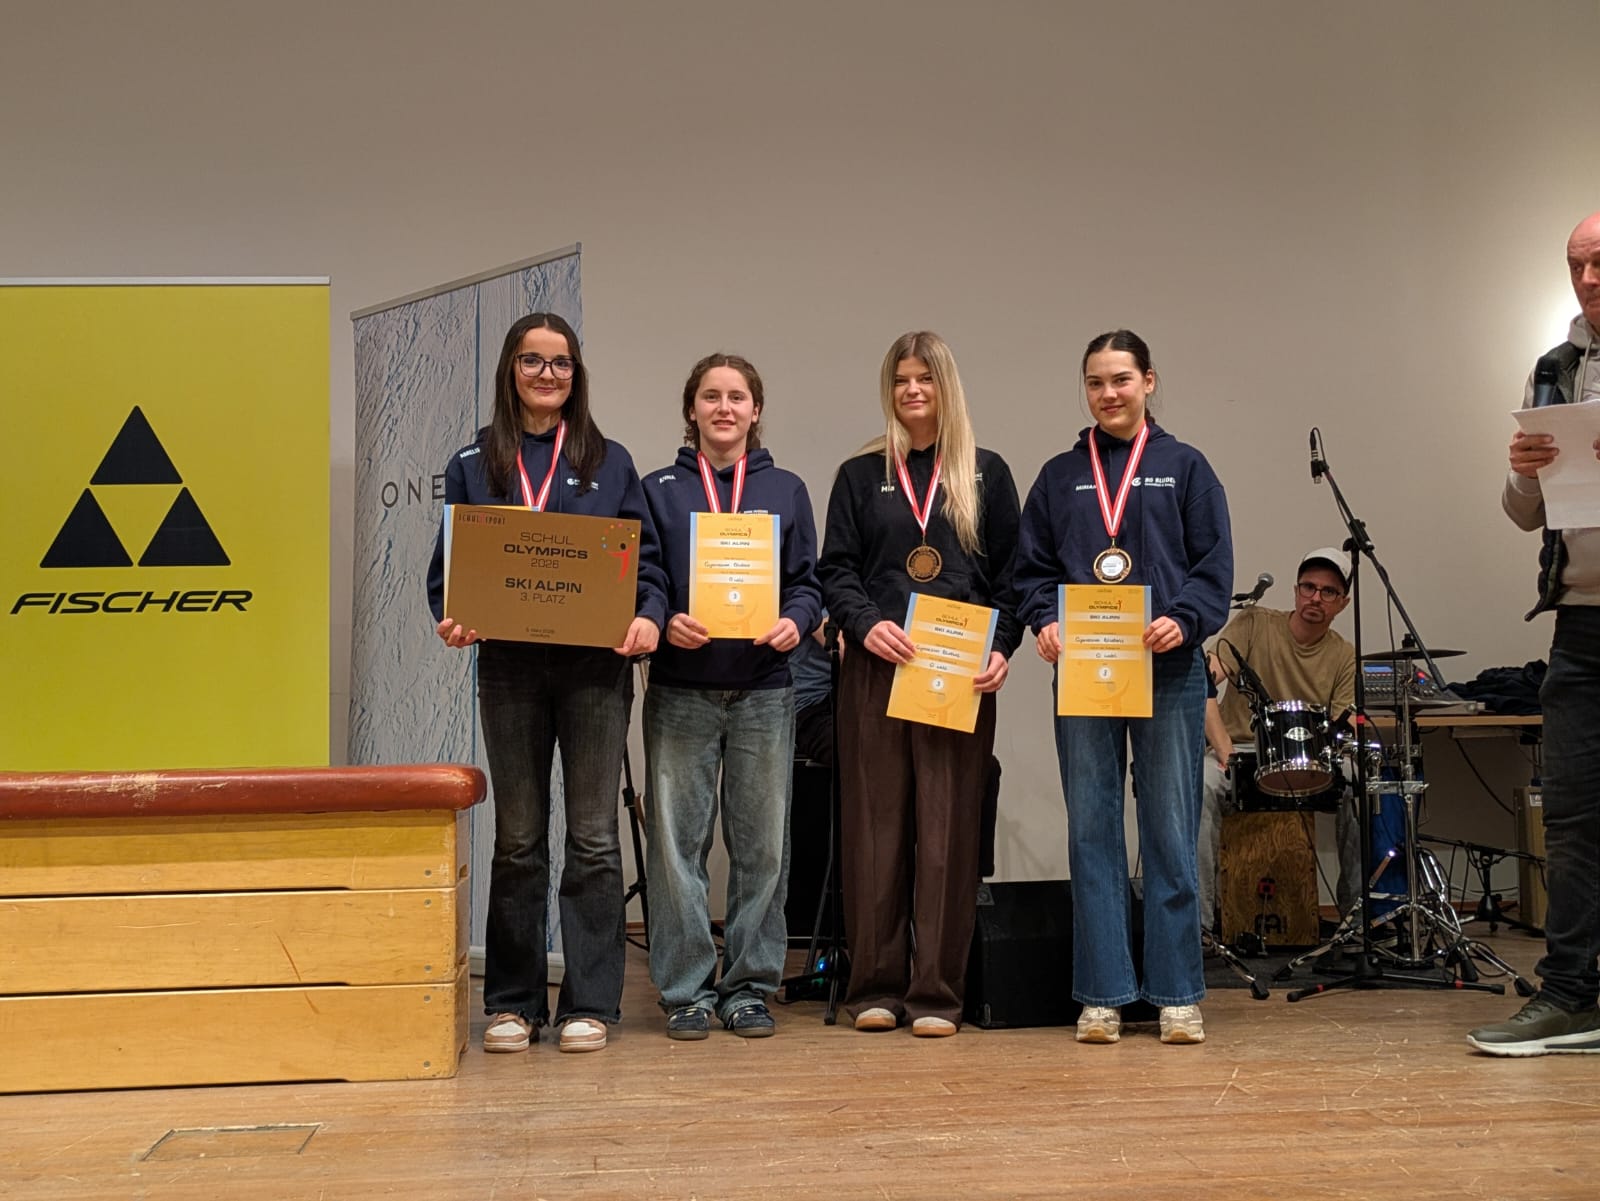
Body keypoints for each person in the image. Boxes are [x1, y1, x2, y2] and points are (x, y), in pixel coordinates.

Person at [426, 312, 667, 1055]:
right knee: (520, 839)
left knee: (593, 838)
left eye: (560, 363)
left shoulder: (611, 460)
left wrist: (649, 617)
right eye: (533, 361)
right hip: (509, 669)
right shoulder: (475, 461)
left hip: (595, 669)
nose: (547, 375)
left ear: (576, 375)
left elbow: (647, 565)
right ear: (509, 369)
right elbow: (447, 574)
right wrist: (453, 616)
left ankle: (591, 1002)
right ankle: (512, 1002)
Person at [1014, 329, 1232, 1045]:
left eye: (1121, 379)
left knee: (1171, 829)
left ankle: (1176, 992)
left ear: (1149, 381)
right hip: (1086, 671)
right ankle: (1103, 993)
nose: (1108, 393)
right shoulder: (1058, 476)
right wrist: (1044, 621)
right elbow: (1032, 572)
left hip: (1168, 670)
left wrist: (1185, 619)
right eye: (1096, 382)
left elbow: (1213, 569)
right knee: (1093, 832)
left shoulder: (1187, 468)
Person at [817, 330, 1021, 1037]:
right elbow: (834, 568)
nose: (912, 391)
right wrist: (864, 622)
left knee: (946, 833)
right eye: (901, 379)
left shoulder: (986, 474)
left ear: (946, 388)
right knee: (876, 831)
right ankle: (874, 985)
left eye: (925, 379)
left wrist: (1004, 647)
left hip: (956, 673)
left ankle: (936, 993)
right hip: (878, 669)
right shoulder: (858, 474)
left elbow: (1013, 580)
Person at [640, 352, 822, 1040]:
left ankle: (748, 985)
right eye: (711, 396)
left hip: (765, 692)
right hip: (680, 689)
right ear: (691, 409)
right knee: (676, 847)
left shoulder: (788, 489)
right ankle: (686, 988)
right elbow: (644, 577)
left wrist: (796, 621)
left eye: (737, 396)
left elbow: (808, 581)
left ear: (755, 409)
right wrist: (662, 621)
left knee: (763, 849)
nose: (724, 407)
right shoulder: (659, 488)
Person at [1470, 211, 1600, 1056]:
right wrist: (1521, 475)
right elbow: (1525, 515)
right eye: (1576, 265)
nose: (1587, 279)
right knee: (1574, 817)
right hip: (1581, 627)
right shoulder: (1553, 368)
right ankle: (1569, 995)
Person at [1198, 548, 1358, 934]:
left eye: (1328, 591)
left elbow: (1342, 725)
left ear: (1343, 603)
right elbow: (1201, 685)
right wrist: (1225, 753)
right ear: (1295, 590)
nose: (1315, 598)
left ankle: (1356, 921)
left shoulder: (1344, 656)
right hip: (1241, 751)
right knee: (1199, 787)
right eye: (1308, 587)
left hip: (1310, 758)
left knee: (1360, 783)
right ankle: (1198, 928)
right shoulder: (1254, 624)